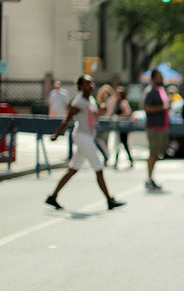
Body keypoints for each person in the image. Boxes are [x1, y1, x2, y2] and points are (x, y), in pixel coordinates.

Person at [45, 75, 125, 211]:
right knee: (98, 167)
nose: (91, 85)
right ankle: (109, 200)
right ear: (81, 86)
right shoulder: (79, 102)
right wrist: (57, 135)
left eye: (92, 83)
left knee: (73, 169)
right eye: (88, 83)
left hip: (88, 135)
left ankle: (53, 196)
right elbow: (68, 119)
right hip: (82, 136)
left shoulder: (91, 100)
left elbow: (92, 120)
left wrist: (100, 112)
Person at [143, 69, 170, 191]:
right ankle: (149, 179)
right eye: (159, 77)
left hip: (161, 127)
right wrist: (163, 108)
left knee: (157, 154)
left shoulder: (161, 90)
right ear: (153, 78)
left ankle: (151, 178)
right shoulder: (150, 92)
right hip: (154, 128)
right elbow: (147, 108)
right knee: (153, 154)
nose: (161, 79)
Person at [113, 86, 135, 169]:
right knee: (121, 144)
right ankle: (118, 160)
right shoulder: (120, 102)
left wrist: (118, 117)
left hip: (123, 126)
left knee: (122, 143)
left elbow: (127, 112)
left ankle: (120, 160)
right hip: (121, 126)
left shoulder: (123, 102)